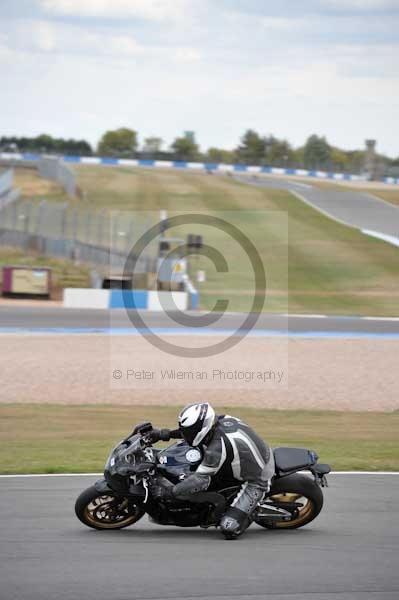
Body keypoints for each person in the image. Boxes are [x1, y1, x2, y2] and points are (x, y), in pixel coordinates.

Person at [147, 402, 275, 540]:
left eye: (188, 431)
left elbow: (199, 481)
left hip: (257, 478)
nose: (185, 434)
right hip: (246, 459)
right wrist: (163, 434)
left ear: (202, 428)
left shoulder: (216, 450)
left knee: (228, 528)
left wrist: (170, 492)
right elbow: (190, 432)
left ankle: (252, 511)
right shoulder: (220, 420)